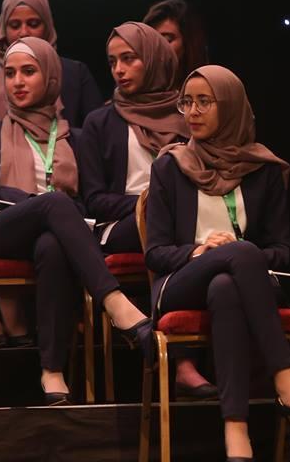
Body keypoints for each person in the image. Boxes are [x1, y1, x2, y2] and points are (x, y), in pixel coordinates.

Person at [0, 37, 152, 405]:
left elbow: (89, 199)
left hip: (53, 231)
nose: (17, 81)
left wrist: (51, 210)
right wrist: (38, 204)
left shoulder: (75, 138)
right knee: (55, 204)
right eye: (10, 73)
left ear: (51, 77)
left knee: (52, 245)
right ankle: (117, 303)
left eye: (28, 72)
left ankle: (51, 369)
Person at [145, 65, 290, 460]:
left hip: (247, 284)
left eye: (205, 102)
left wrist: (237, 253)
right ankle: (285, 376)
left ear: (231, 106)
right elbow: (156, 252)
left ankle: (236, 430)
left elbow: (282, 250)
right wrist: (202, 250)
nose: (193, 112)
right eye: (187, 102)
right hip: (182, 281)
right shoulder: (170, 166)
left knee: (227, 283)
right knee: (238, 254)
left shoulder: (263, 169)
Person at [78, 21, 216, 398]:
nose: (119, 70)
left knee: (196, 240)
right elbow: (94, 199)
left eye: (129, 59)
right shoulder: (100, 122)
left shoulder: (187, 118)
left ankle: (194, 359)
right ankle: (182, 364)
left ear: (154, 60)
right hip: (122, 225)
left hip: (182, 225)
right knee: (173, 235)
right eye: (112, 62)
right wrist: (150, 203)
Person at [0, 0, 102, 138]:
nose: (24, 32)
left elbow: (94, 136)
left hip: (66, 151)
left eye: (33, 24)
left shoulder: (75, 73)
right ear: (3, 29)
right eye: (15, 25)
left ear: (47, 27)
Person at [142, 0, 209, 89]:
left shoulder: (208, 87)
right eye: (151, 41)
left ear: (188, 43)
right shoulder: (136, 88)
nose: (156, 48)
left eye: (167, 40)